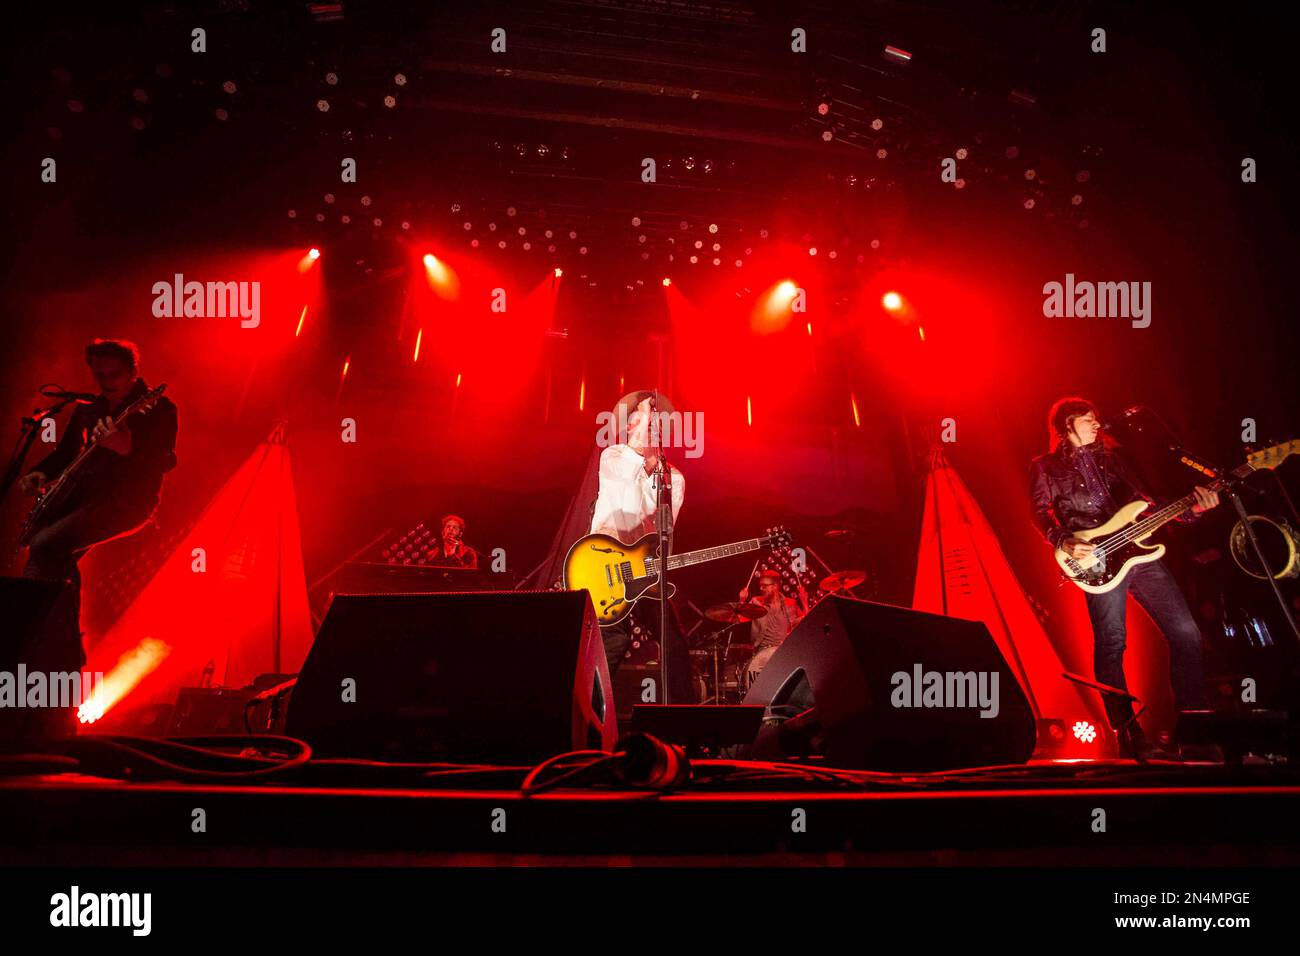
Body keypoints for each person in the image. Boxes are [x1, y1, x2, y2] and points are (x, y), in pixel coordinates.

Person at [1028, 396, 1219, 759]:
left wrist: (1191, 510)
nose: (1096, 424)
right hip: (1095, 559)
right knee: (1112, 643)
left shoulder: (1113, 459)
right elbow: (1038, 512)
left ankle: (1195, 731)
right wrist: (1063, 539)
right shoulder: (1045, 467)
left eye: (1095, 418)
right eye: (1086, 420)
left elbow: (1146, 502)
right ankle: (1130, 736)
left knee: (1186, 633)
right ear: (1064, 428)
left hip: (1138, 551)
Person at [16, 338, 177, 737]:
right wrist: (40, 473)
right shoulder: (89, 410)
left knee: (47, 545)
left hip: (128, 503)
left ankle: (65, 649)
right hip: (83, 503)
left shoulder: (158, 409)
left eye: (114, 374)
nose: (106, 381)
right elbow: (67, 452)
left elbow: (163, 459)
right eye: (99, 373)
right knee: (45, 555)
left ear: (133, 372)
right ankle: (44, 644)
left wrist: (124, 446)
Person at [590, 390, 693, 704]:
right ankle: (590, 713)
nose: (645, 427)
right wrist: (645, 413)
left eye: (651, 425)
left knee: (674, 642)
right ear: (629, 428)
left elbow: (663, 536)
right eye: (638, 423)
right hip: (605, 567)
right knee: (613, 641)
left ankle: (684, 722)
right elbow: (626, 475)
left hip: (643, 572)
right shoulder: (614, 456)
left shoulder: (673, 479)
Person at [740, 571, 806, 684]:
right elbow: (739, 619)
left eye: (764, 586)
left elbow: (807, 624)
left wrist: (804, 601)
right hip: (761, 654)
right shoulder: (756, 602)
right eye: (760, 585)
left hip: (784, 653)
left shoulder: (790, 604)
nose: (761, 588)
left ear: (775, 586)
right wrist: (742, 600)